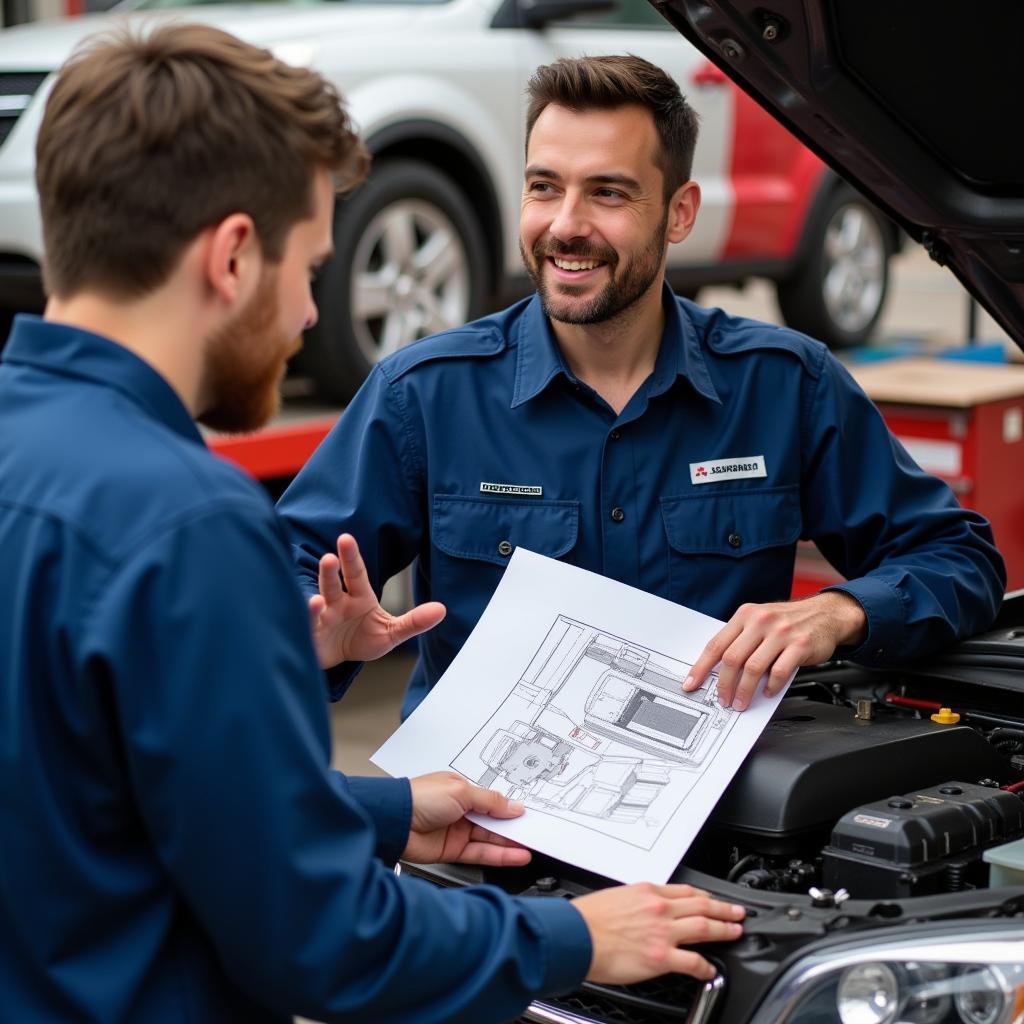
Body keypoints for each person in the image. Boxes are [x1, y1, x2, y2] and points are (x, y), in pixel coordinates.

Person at [0, 29, 747, 1024]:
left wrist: (387, 812)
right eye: (312, 265)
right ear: (230, 256)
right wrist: (573, 939)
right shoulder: (187, 526)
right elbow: (318, 937)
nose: (312, 314)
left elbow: (86, 801)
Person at [277, 55, 1006, 718]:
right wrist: (319, 635)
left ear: (679, 213)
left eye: (608, 193)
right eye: (545, 187)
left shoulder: (785, 386)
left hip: (712, 836)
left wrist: (839, 612)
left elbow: (959, 558)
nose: (566, 225)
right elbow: (280, 583)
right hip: (480, 838)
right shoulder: (424, 396)